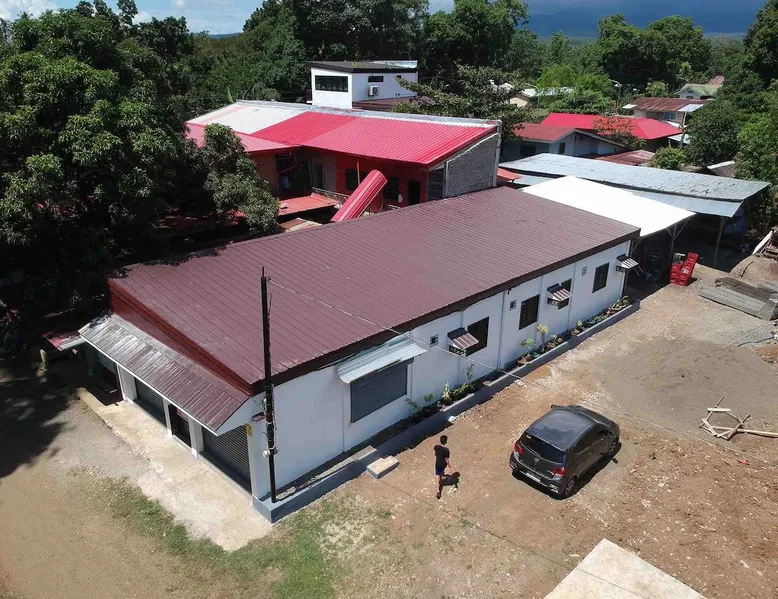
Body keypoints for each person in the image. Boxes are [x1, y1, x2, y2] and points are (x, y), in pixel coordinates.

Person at [433, 435, 451, 499]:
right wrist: (449, 466)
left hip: (438, 463)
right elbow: (446, 459)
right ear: (446, 441)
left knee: (437, 475)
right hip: (443, 464)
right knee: (441, 472)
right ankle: (440, 480)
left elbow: (435, 453)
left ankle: (438, 491)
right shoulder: (446, 450)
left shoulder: (436, 447)